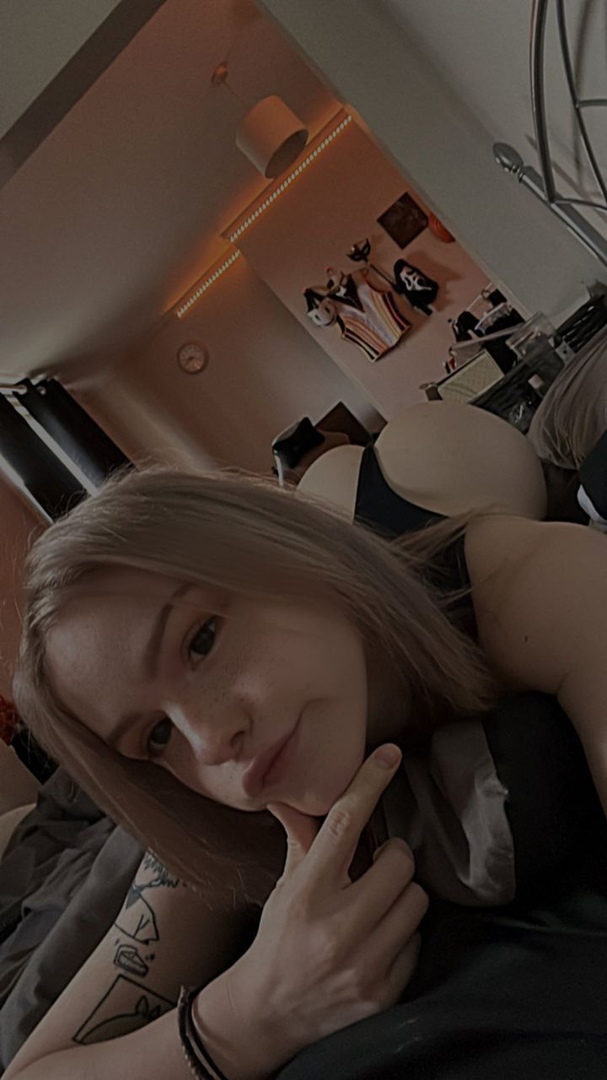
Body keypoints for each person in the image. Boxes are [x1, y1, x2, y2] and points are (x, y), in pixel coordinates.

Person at [5, 427, 607, 1078]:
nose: (208, 742)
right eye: (156, 736)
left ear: (278, 546)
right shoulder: (217, 819)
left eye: (201, 640)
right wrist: (247, 1017)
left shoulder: (526, 582)